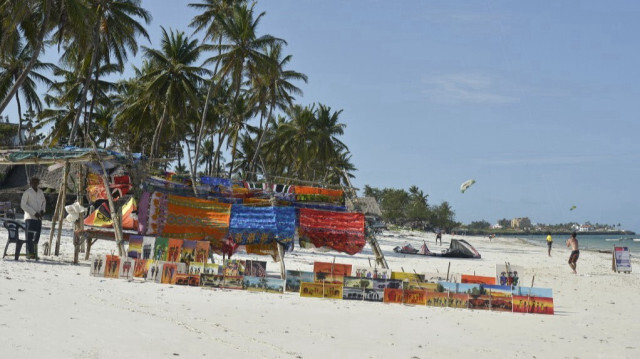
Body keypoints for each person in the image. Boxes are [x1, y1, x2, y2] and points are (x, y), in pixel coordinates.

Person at [20, 176, 46, 260]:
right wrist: (34, 213)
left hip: (38, 218)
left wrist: (42, 210)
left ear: (38, 183)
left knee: (37, 236)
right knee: (29, 236)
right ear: (30, 183)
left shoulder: (40, 192)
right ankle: (29, 253)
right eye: (33, 182)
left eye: (36, 182)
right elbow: (23, 205)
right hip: (30, 217)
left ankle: (34, 253)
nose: (35, 184)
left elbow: (44, 202)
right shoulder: (27, 192)